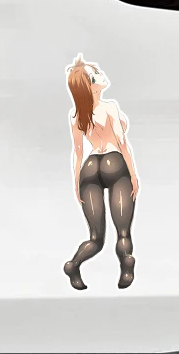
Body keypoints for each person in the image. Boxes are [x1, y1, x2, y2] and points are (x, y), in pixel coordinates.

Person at [63, 54, 139, 290]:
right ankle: (127, 266)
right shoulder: (109, 107)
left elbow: (77, 152)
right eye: (95, 74)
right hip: (114, 162)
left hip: (89, 168)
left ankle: (73, 265)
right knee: (123, 231)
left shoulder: (76, 114)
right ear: (91, 85)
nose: (101, 74)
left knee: (96, 238)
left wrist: (77, 182)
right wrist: (133, 175)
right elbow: (122, 142)